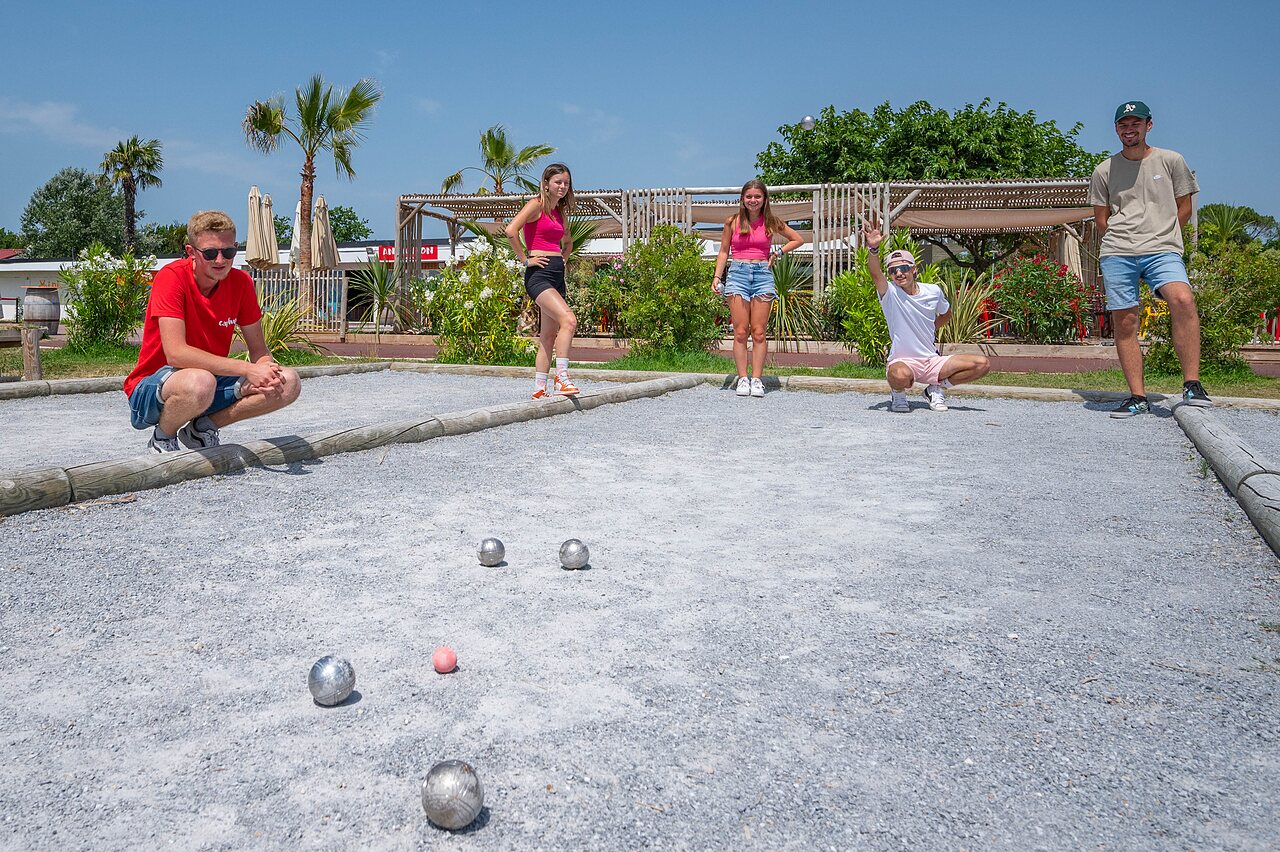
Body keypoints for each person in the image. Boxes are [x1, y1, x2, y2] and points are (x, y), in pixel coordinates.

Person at [123, 210, 301, 453]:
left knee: (288, 382)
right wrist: (248, 370)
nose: (220, 260)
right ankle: (163, 436)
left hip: (206, 384)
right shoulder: (171, 277)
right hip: (151, 388)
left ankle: (202, 428)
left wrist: (266, 372)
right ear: (191, 251)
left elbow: (259, 351)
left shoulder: (241, 282)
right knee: (201, 381)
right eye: (210, 253)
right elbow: (176, 354)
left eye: (228, 252)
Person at [1089, 100, 1210, 418]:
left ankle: (1192, 384)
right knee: (1125, 320)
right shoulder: (1104, 170)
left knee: (1183, 299)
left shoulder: (1171, 160)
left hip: (1162, 250)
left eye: (1136, 123)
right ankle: (1137, 397)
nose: (1129, 129)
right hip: (1119, 251)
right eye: (1123, 124)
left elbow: (1185, 207)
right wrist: (1122, 240)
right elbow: (1101, 219)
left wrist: (1163, 235)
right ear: (1116, 129)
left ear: (1148, 125)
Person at [862, 221, 990, 412]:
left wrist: (930, 327)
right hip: (903, 361)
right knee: (898, 374)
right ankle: (898, 393)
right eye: (893, 270)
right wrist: (873, 249)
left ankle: (935, 388)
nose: (899, 273)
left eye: (904, 268)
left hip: (931, 361)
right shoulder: (890, 293)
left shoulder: (933, 291)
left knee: (981, 364)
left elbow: (947, 314)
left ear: (914, 269)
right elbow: (875, 273)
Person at [712, 180, 803, 398]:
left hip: (763, 275)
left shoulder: (771, 222)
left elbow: (797, 239)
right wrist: (716, 277)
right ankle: (743, 378)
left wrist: (778, 253)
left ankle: (757, 379)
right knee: (740, 331)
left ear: (764, 199)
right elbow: (724, 251)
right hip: (738, 274)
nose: (753, 200)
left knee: (759, 332)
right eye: (749, 196)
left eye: (757, 196)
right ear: (742, 199)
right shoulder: (732, 222)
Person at [506, 163, 579, 399]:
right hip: (539, 276)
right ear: (546, 184)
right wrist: (525, 259)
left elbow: (568, 242)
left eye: (566, 183)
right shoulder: (536, 205)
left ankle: (539, 389)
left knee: (548, 335)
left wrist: (563, 259)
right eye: (558, 182)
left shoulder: (560, 213)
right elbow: (511, 230)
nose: (563, 186)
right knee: (569, 320)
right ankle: (562, 378)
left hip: (557, 276)